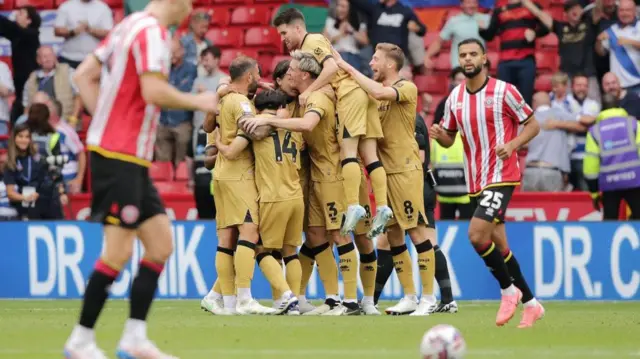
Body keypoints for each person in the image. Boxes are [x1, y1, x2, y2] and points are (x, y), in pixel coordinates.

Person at [63, 0, 218, 355]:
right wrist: (201, 102)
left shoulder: (126, 25)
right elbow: (153, 92)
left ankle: (134, 338)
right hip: (120, 156)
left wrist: (103, 121)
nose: (190, 9)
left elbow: (82, 74)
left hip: (123, 154)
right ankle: (81, 339)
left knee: (161, 244)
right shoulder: (153, 34)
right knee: (117, 252)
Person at [430, 38, 544, 328]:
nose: (467, 59)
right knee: (499, 245)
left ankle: (508, 291)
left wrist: (514, 144)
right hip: (475, 180)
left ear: (484, 58)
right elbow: (449, 139)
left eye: (472, 54)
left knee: (477, 236)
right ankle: (532, 304)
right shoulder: (454, 97)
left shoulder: (504, 91)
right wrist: (438, 134)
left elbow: (533, 124)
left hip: (501, 174)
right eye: (462, 55)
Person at [242, 51, 361, 316]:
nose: (290, 74)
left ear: (304, 74)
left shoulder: (316, 97)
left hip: (331, 173)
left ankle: (350, 300)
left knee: (339, 235)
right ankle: (330, 299)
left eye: (293, 70)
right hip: (310, 177)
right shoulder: (293, 100)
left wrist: (271, 119)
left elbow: (307, 125)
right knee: (316, 237)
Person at [333, 43, 436, 316]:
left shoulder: (406, 88)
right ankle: (410, 296)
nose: (372, 63)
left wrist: (346, 66)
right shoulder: (373, 96)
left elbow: (377, 90)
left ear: (391, 64)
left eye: (376, 59)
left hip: (405, 169)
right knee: (393, 234)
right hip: (383, 173)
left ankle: (429, 297)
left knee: (416, 231)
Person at [274, 9, 392, 238]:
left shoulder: (313, 41)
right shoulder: (312, 44)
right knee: (370, 156)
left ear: (298, 28)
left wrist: (308, 91)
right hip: (360, 94)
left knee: (348, 152)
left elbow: (331, 68)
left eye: (284, 32)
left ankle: (352, 206)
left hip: (349, 95)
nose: (282, 39)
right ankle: (383, 207)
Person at [215, 89, 302, 315]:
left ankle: (286, 295)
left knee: (260, 248)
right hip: (296, 195)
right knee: (290, 251)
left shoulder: (257, 127)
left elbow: (235, 150)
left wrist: (220, 145)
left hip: (273, 196)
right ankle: (293, 303)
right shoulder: (294, 128)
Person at [209, 56, 278, 316]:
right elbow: (252, 131)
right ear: (249, 76)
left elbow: (209, 121)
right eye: (258, 74)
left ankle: (228, 303)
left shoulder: (225, 98)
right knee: (249, 233)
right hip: (239, 175)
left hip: (221, 177)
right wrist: (271, 122)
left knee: (226, 239)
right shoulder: (241, 103)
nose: (260, 78)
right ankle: (245, 297)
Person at [480, 0, 550, 106]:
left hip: (526, 61)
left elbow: (547, 26)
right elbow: (489, 35)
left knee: (525, 101)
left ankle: (525, 123)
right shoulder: (498, 10)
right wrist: (481, 29)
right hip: (505, 62)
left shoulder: (532, 6)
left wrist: (535, 33)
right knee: (504, 101)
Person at [584, 94, 640, 219]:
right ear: (619, 106)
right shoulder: (635, 124)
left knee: (610, 222)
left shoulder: (594, 131)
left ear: (601, 109)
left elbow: (590, 166)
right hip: (635, 181)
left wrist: (594, 193)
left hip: (609, 184)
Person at [4, 123, 65, 220]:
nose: (24, 140)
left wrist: (62, 192)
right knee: (32, 210)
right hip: (25, 203)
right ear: (14, 138)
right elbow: (10, 193)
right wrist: (25, 197)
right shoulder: (10, 163)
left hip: (46, 201)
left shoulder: (38, 158)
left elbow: (52, 177)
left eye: (27, 137)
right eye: (20, 136)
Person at [522, 92, 575, 192]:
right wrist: (558, 125)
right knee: (552, 206)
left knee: (530, 205)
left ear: (534, 102)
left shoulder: (528, 119)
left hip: (531, 170)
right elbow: (581, 125)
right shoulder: (559, 114)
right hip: (552, 170)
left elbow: (520, 144)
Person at [0, 6, 41, 123]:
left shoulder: (31, 34)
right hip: (19, 84)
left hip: (30, 84)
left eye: (21, 13)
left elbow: (8, 26)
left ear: (29, 20)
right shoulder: (18, 34)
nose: (16, 14)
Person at [595, 0, 640, 95]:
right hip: (618, 86)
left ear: (634, 11)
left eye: (628, 10)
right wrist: (598, 41)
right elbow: (601, 53)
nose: (624, 13)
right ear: (618, 12)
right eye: (622, 10)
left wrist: (630, 41)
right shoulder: (612, 29)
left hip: (637, 83)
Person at [54, 0, 113, 69]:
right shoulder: (66, 6)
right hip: (69, 58)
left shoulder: (103, 8)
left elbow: (109, 33)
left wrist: (90, 30)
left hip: (94, 59)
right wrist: (73, 32)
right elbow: (57, 31)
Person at [0, 149, 18, 220]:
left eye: (6, 162)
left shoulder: (19, 178)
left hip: (16, 217)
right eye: (1, 162)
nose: (4, 165)